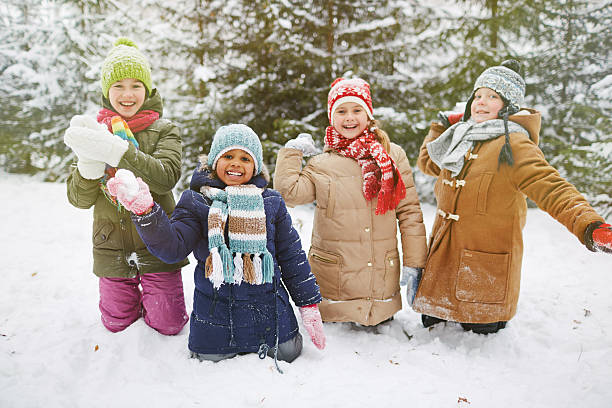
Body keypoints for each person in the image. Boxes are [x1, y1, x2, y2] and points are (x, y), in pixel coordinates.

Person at [413, 60, 612, 334]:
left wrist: (590, 225)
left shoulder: (514, 144)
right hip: (442, 266)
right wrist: (441, 126)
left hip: (483, 271)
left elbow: (551, 187)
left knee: (479, 335)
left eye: (492, 96)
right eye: (478, 95)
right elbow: (428, 163)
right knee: (430, 327)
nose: (481, 102)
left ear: (508, 106)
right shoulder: (461, 135)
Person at [106, 124, 325, 369]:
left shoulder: (271, 202)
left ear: (255, 166)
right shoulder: (196, 202)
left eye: (245, 158)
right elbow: (172, 247)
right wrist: (147, 212)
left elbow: (292, 257)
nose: (236, 164)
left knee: (289, 351)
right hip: (215, 320)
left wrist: (308, 304)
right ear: (213, 161)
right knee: (210, 362)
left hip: (270, 317)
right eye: (228, 156)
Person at [274, 77, 428, 327]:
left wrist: (415, 262)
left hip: (380, 293)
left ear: (369, 115)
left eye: (357, 110)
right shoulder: (322, 163)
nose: (349, 117)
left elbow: (409, 212)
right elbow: (289, 193)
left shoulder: (391, 155)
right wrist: (292, 153)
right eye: (341, 111)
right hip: (334, 292)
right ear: (331, 117)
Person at [63, 37, 189, 335]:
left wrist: (116, 151)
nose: (127, 94)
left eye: (136, 85)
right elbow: (79, 199)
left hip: (159, 246)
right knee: (116, 325)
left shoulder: (165, 130)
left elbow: (165, 176)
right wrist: (89, 163)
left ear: (147, 89)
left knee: (168, 326)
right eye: (118, 85)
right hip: (111, 246)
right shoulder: (94, 133)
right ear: (107, 91)